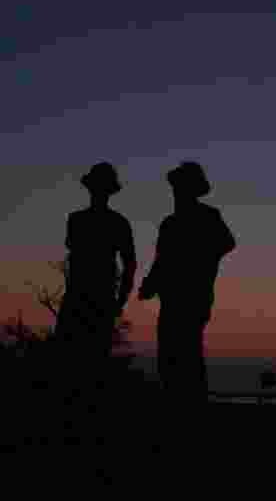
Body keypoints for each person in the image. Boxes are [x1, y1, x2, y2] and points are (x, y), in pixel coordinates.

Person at [138, 162, 236, 410]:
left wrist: (199, 260)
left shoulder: (208, 216)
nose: (176, 191)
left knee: (187, 351)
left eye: (181, 186)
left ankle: (190, 407)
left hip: (194, 296)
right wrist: (151, 284)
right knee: (171, 351)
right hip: (173, 297)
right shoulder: (169, 223)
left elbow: (226, 244)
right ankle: (177, 404)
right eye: (176, 186)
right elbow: (161, 259)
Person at [55, 162, 137, 407]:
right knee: (74, 360)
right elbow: (129, 265)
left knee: (89, 361)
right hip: (81, 297)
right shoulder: (80, 220)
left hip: (95, 298)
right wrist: (119, 300)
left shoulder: (107, 222)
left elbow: (130, 264)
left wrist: (119, 300)